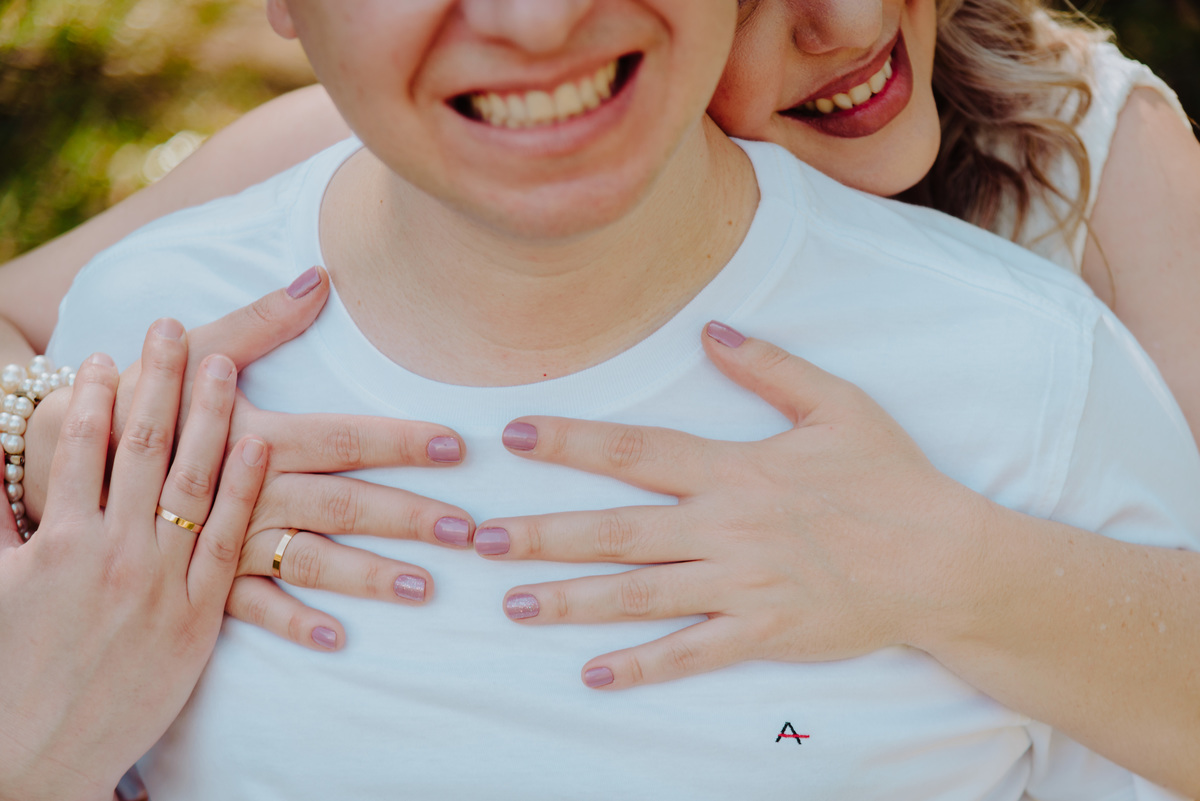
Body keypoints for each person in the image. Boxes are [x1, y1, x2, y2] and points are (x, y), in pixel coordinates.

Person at [6, 0, 1200, 793]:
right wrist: (53, 433)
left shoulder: (1088, 170)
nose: (838, 21)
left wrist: (943, 563)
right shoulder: (403, 135)